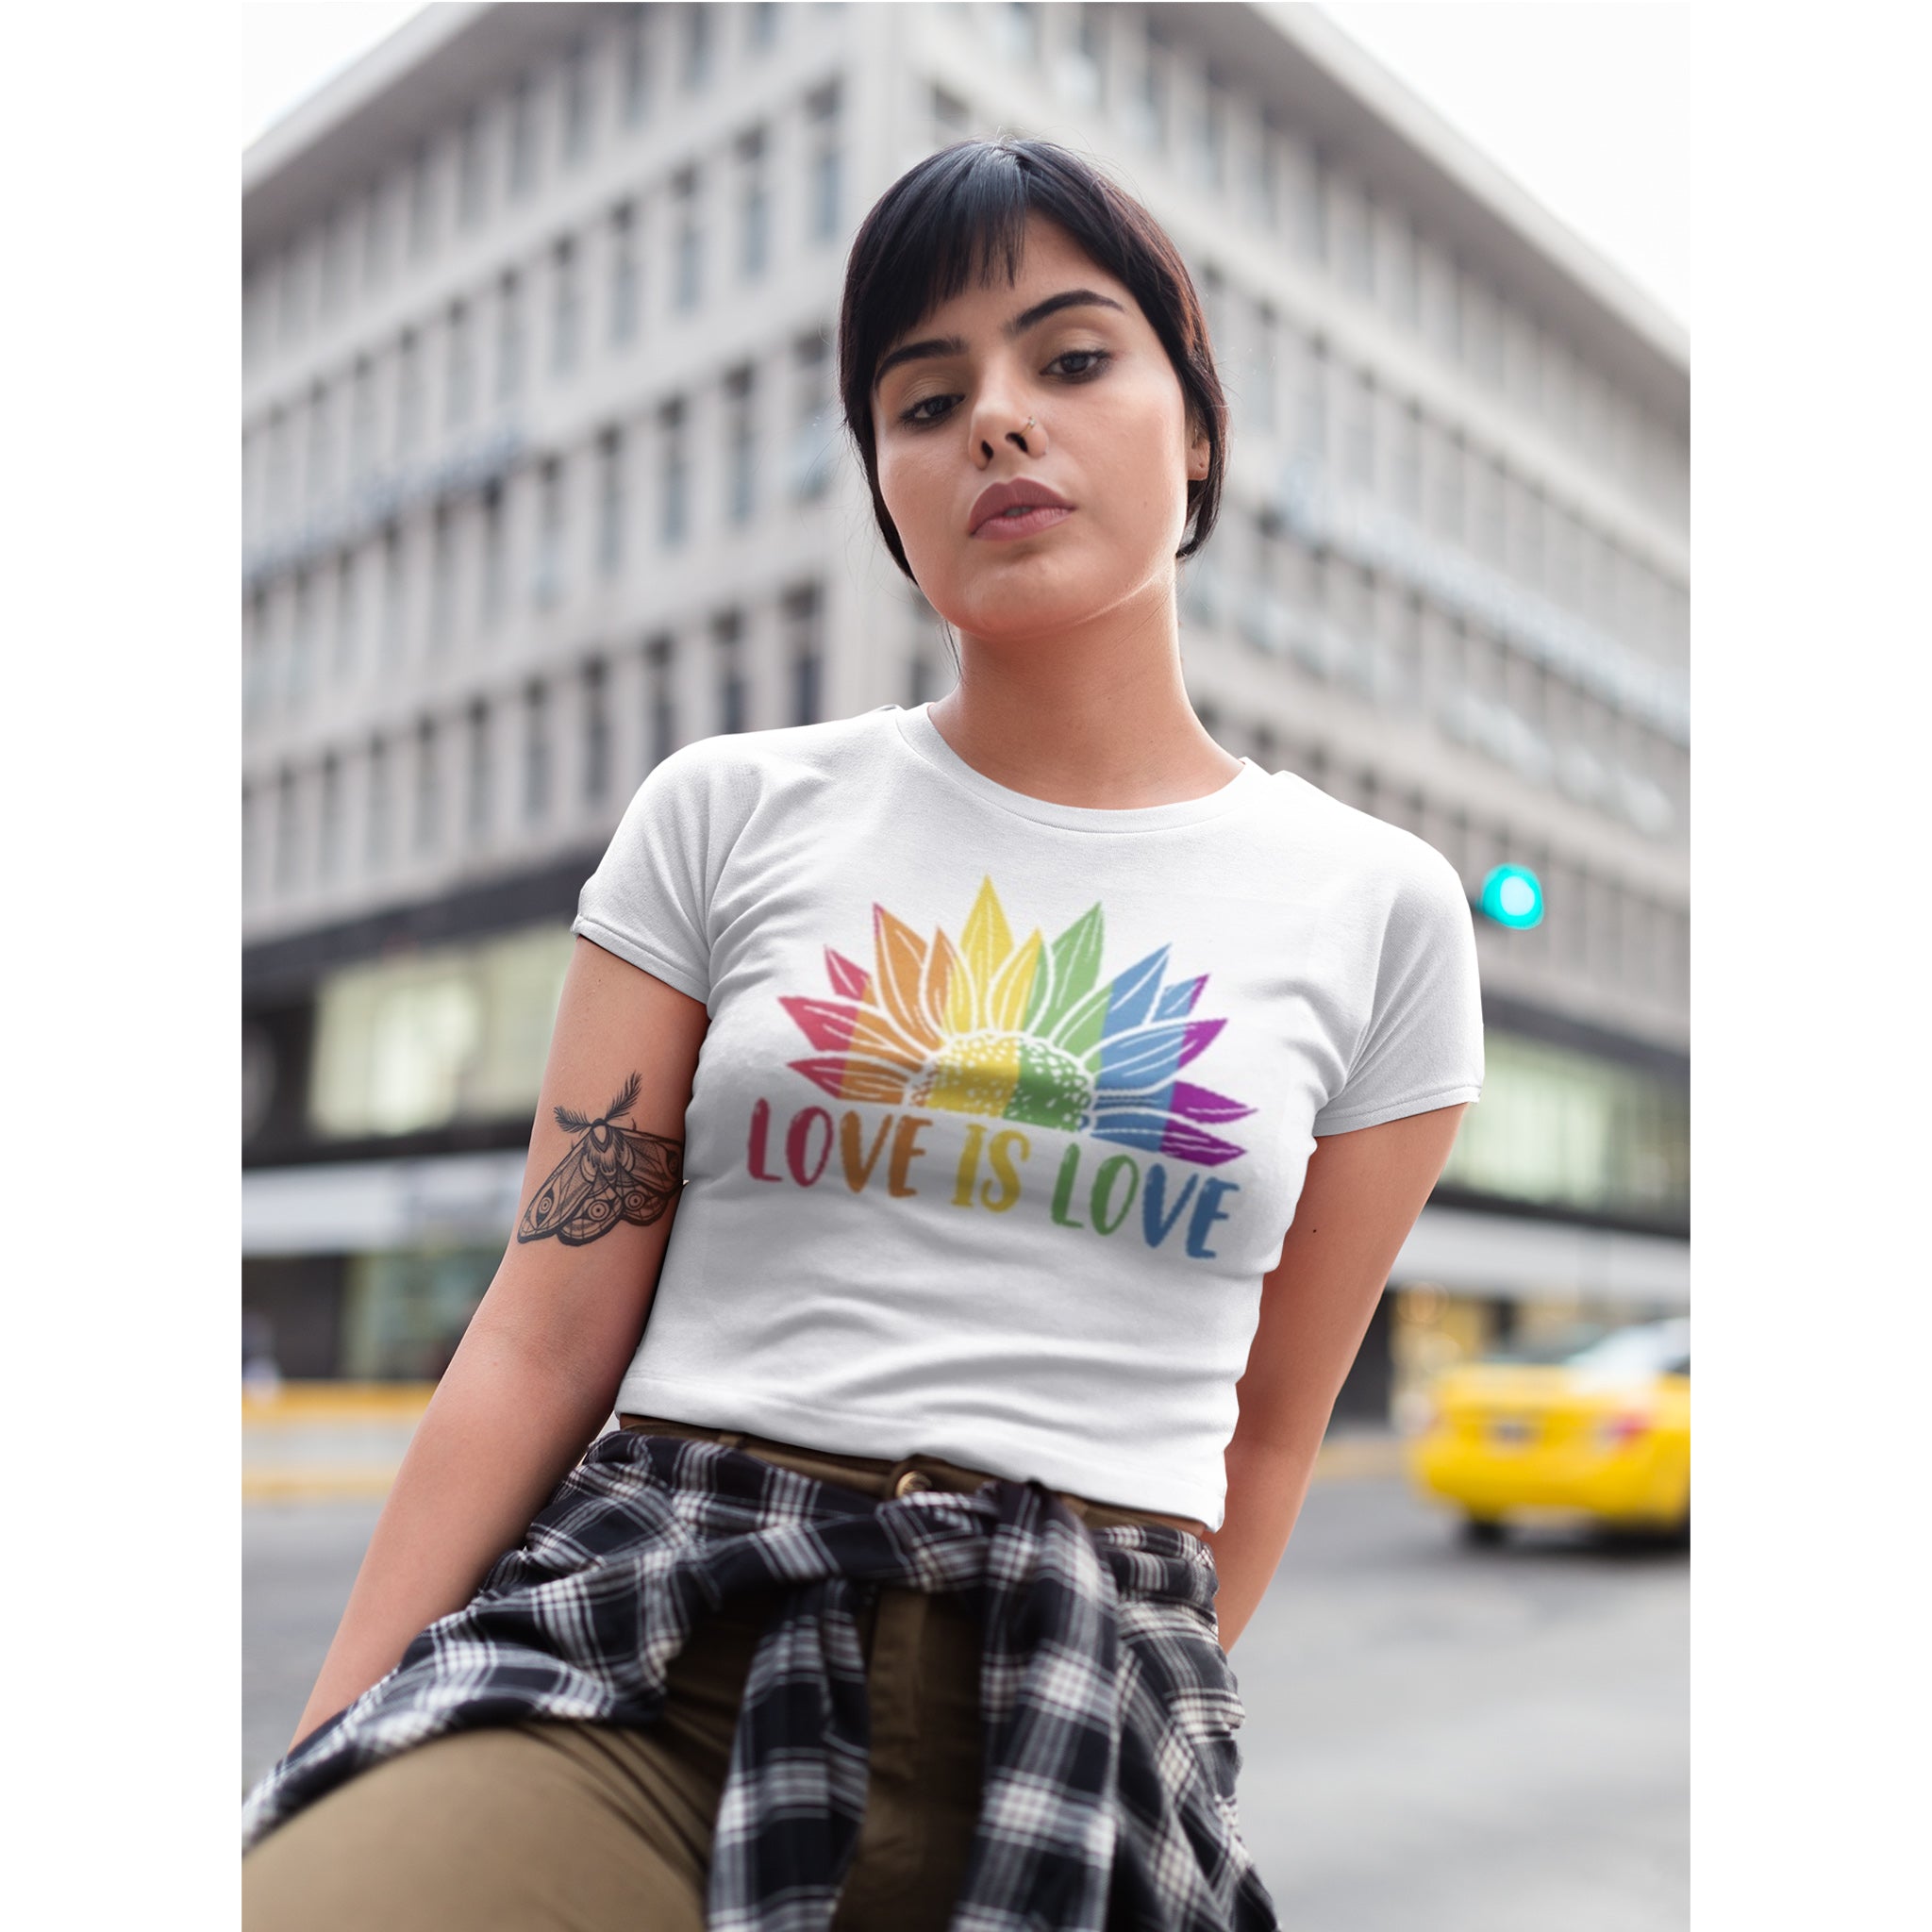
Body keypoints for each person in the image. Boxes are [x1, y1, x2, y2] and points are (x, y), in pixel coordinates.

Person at [242, 136, 1482, 1931]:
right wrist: (337, 1739)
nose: (996, 420)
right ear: (886, 484)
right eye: (925, 396)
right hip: (659, 1616)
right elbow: (541, 1324)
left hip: (1075, 1685)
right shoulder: (729, 811)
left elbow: (1269, 1436)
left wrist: (1153, 1697)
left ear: (1195, 427)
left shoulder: (1379, 908)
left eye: (1070, 360)